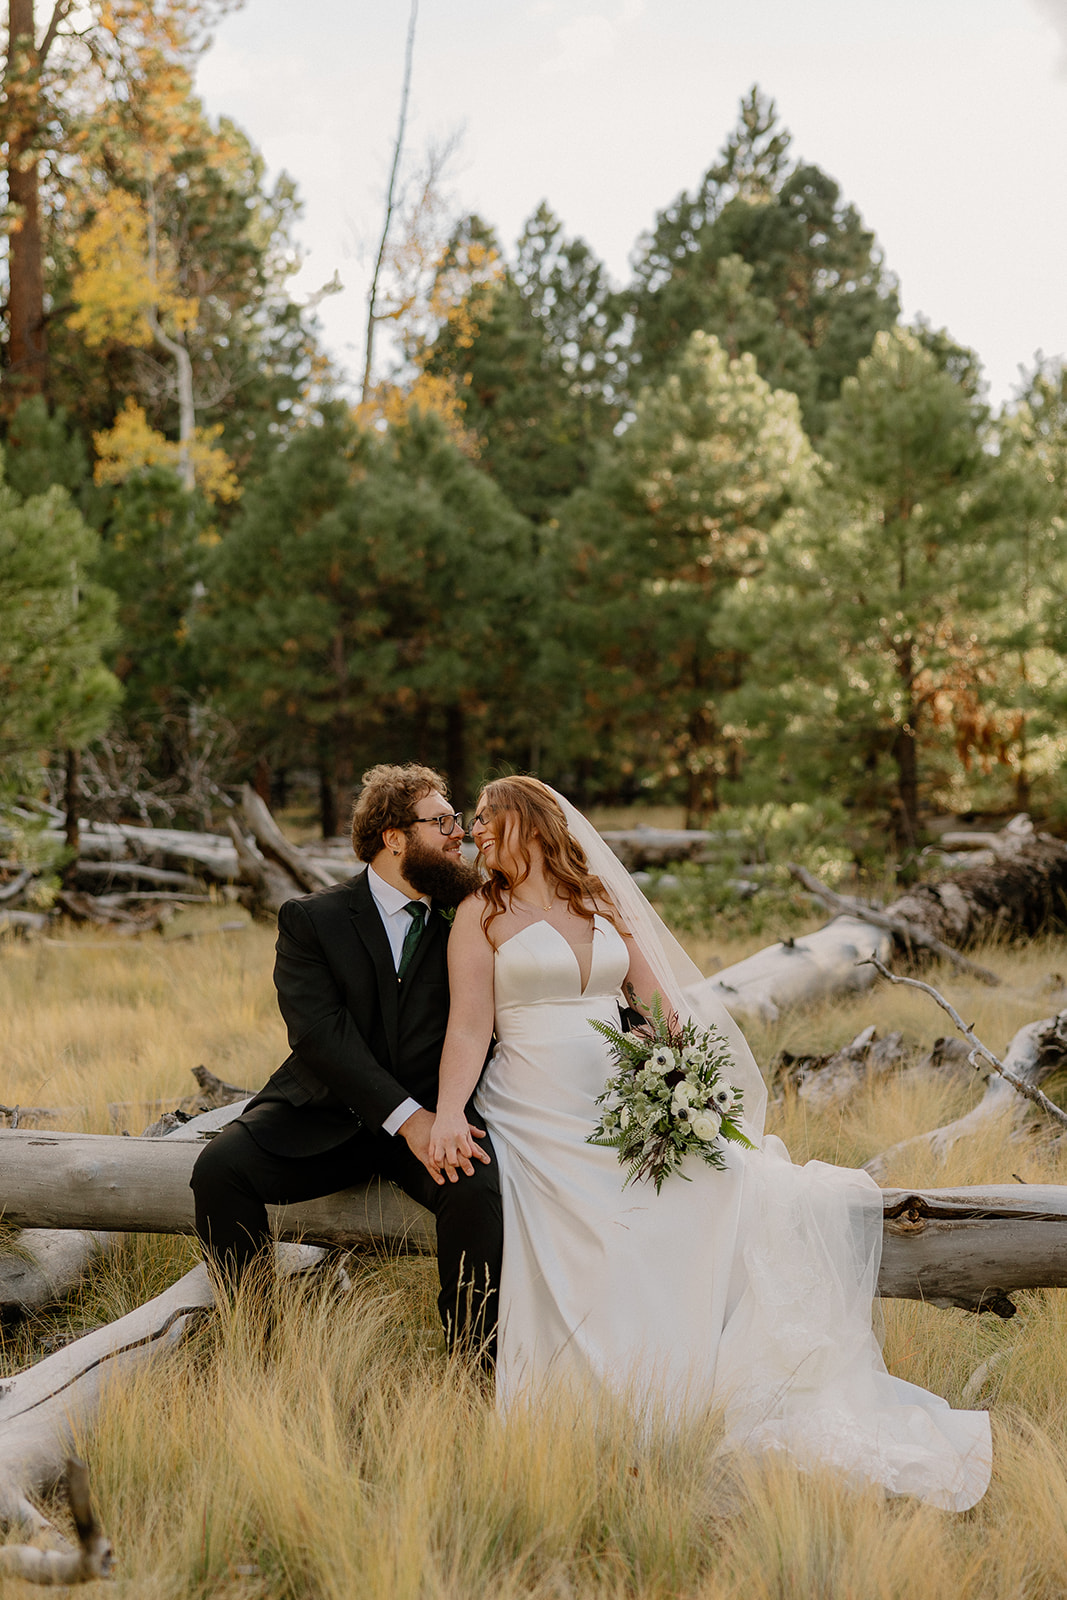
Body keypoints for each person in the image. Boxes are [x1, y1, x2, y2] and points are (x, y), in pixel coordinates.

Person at [427, 776, 992, 1509]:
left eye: (484, 819)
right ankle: (590, 1402)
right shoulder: (480, 911)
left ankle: (695, 1379)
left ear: (529, 825)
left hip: (626, 1099)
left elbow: (656, 1002)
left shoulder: (595, 899)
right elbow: (469, 1025)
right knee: (589, 1239)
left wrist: (682, 1079)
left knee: (722, 1181)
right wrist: (446, 1113)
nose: (473, 833)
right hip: (532, 1105)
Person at [191, 763, 502, 1359]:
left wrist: (438, 1118)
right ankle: (256, 1344)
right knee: (219, 1169)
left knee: (477, 1188)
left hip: (438, 1117)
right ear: (394, 837)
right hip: (325, 1112)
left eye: (456, 820)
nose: (457, 833)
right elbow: (320, 1036)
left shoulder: (466, 915)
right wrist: (406, 1118)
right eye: (442, 821)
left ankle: (473, 1365)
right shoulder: (312, 920)